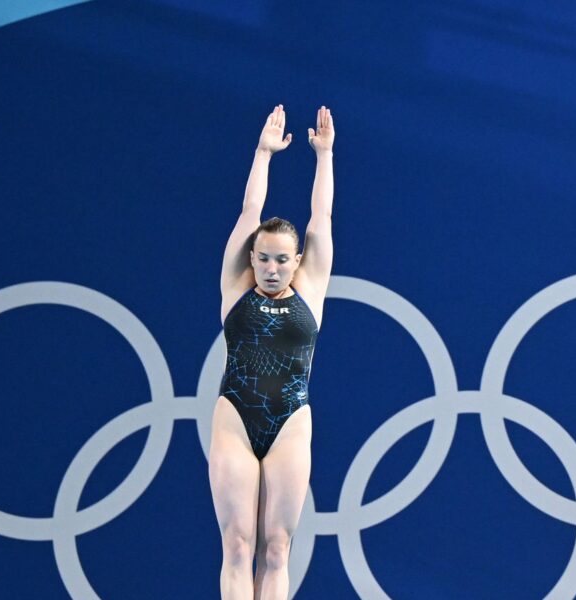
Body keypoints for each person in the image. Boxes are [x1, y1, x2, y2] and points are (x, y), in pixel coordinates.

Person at [208, 104, 335, 599]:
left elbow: (320, 219)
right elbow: (248, 215)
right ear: (253, 259)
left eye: (283, 259)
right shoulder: (236, 288)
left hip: (290, 420)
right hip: (235, 418)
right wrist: (263, 154)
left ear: (297, 262)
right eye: (263, 258)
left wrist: (323, 156)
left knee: (277, 547)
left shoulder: (310, 291)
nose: (272, 268)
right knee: (238, 545)